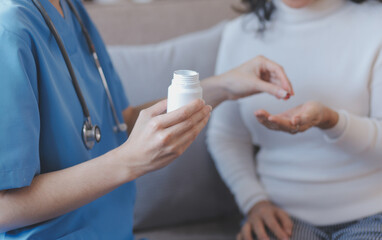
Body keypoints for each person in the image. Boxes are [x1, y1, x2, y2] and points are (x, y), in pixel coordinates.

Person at [0, 0, 294, 238]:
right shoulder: (9, 29)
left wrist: (222, 86)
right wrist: (128, 161)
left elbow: (118, 121)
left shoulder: (72, 10)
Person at [206, 0, 382, 239]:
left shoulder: (375, 22)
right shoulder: (239, 34)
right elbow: (226, 136)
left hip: (373, 212)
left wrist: (332, 121)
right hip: (282, 217)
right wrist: (254, 201)